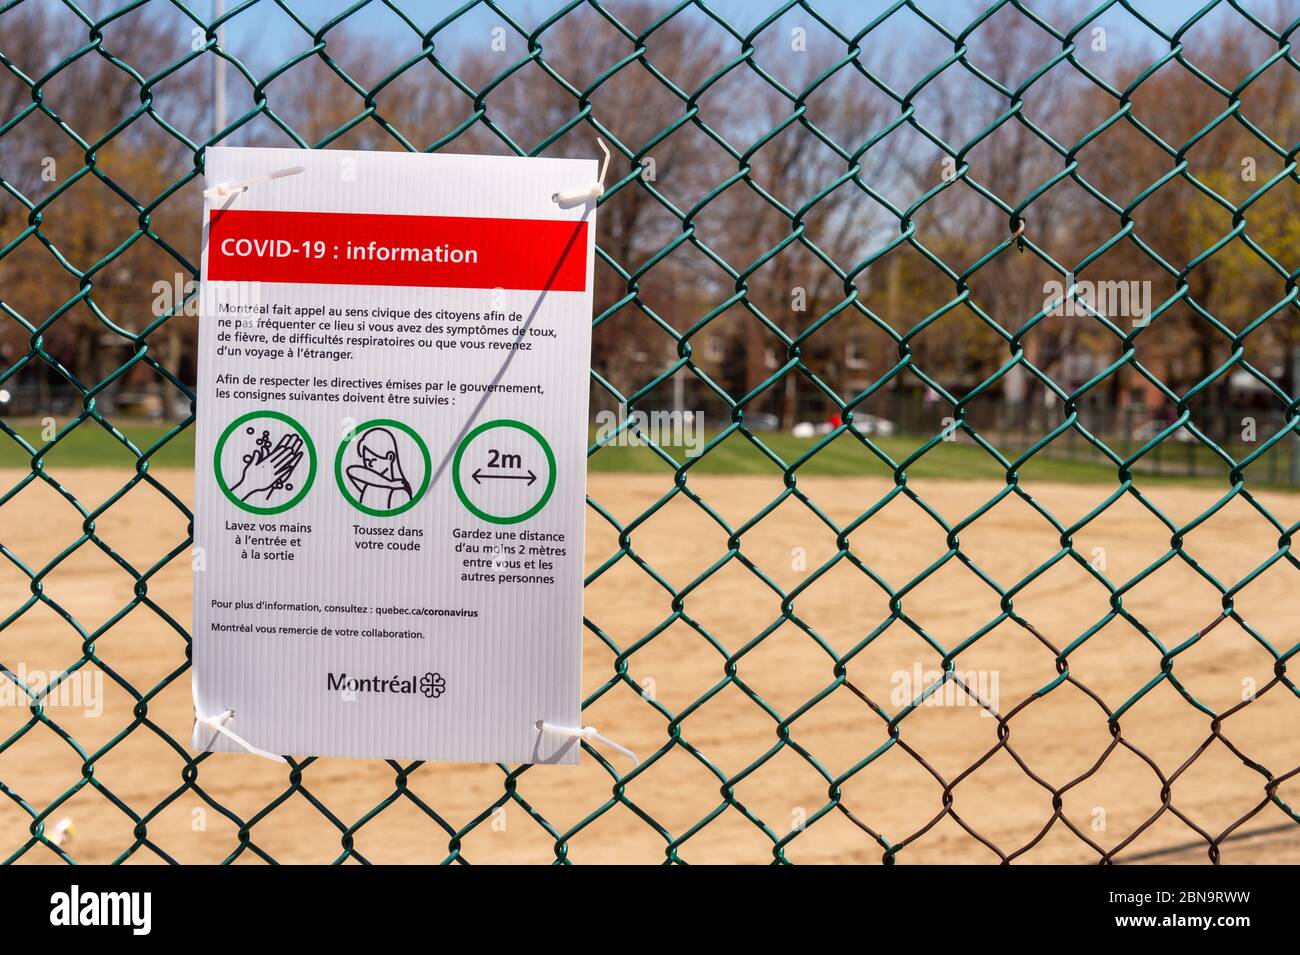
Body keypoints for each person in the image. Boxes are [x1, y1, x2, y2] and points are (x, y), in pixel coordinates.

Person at [345, 427, 412, 510]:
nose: (369, 464)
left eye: (373, 460)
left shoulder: (399, 489)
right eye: (366, 460)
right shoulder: (368, 482)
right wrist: (389, 484)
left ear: (390, 457)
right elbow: (352, 470)